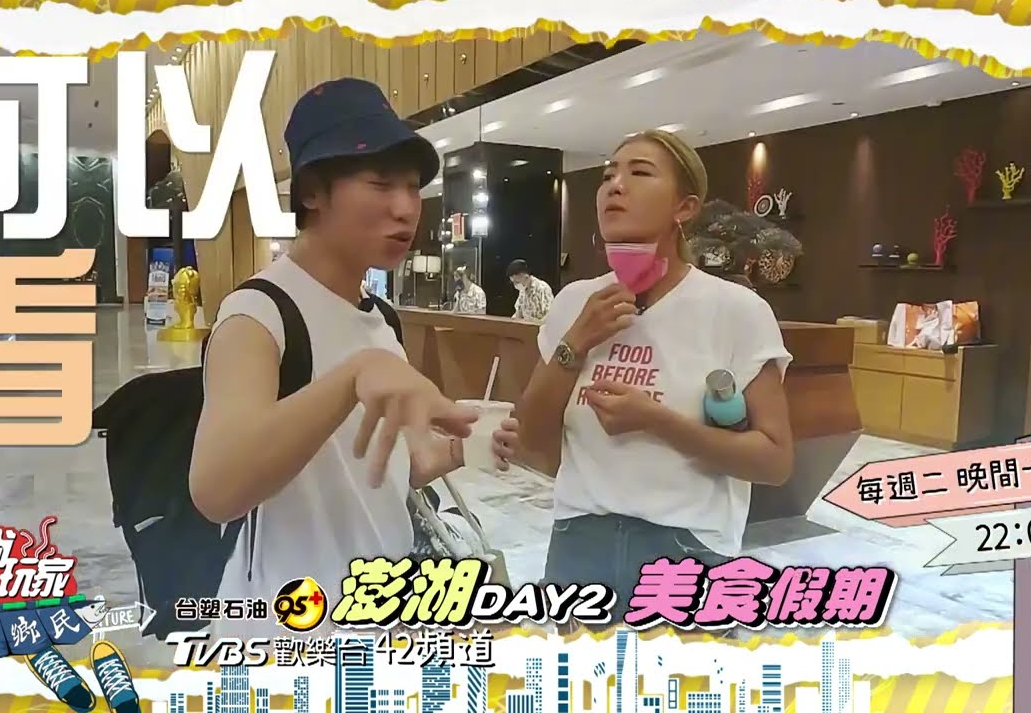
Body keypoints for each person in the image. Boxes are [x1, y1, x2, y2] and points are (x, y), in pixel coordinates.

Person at [189, 78, 520, 637]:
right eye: (380, 183)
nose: (406, 208)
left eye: (413, 187)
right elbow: (216, 491)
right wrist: (353, 376)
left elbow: (382, 467)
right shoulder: (259, 314)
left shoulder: (381, 318)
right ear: (313, 193)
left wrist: (461, 447)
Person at [515, 129, 794, 629]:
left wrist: (657, 421)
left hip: (688, 549)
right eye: (608, 175)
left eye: (639, 173)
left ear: (685, 207)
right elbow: (531, 440)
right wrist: (576, 341)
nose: (615, 185)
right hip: (580, 543)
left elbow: (775, 461)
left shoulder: (736, 310)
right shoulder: (575, 302)